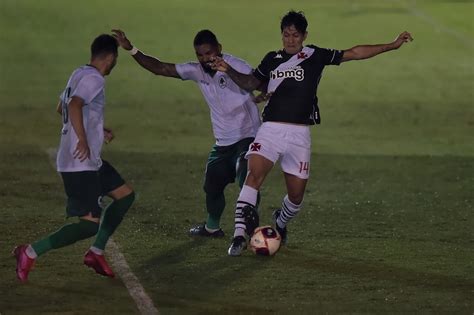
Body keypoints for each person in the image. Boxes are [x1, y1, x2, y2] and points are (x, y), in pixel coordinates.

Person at [211, 10, 413, 256]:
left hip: (299, 135)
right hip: (271, 130)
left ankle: (281, 222)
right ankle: (239, 236)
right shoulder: (271, 59)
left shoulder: (315, 55)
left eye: (295, 35)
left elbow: (355, 52)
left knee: (295, 199)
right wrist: (228, 69)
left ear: (304, 35)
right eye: (286, 35)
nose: (290, 39)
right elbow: (252, 83)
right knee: (254, 175)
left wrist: (392, 45)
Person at [112, 29, 262, 238]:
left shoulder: (236, 65)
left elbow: (255, 83)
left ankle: (252, 230)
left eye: (209, 53)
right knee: (211, 186)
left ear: (219, 48)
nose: (205, 58)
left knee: (246, 177)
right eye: (200, 55)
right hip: (223, 142)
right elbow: (160, 68)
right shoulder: (196, 71)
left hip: (248, 135)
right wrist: (131, 49)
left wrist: (228, 71)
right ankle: (212, 227)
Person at [13, 34, 136, 281]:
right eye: (115, 60)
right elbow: (75, 105)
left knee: (125, 195)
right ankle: (30, 251)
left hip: (90, 161)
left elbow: (62, 107)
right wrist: (82, 139)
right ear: (111, 57)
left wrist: (96, 129)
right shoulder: (95, 79)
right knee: (89, 223)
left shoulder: (78, 73)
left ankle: (96, 252)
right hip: (80, 163)